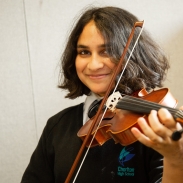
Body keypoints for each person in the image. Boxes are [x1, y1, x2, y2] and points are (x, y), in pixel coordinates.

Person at [21, 6, 183, 183]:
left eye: (106, 51)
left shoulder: (155, 128)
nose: (94, 65)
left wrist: (176, 159)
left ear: (132, 55)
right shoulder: (57, 126)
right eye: (84, 52)